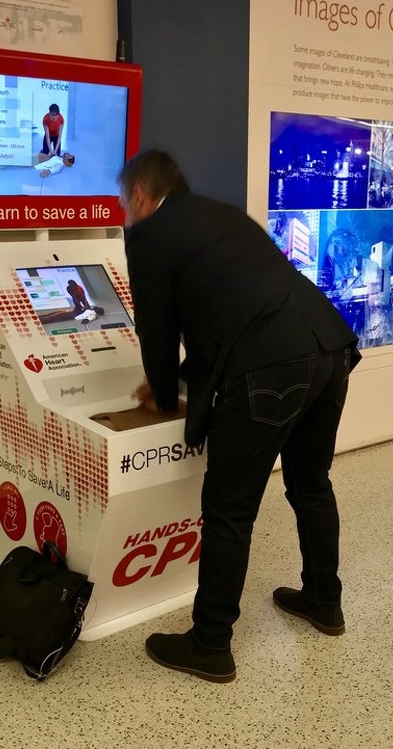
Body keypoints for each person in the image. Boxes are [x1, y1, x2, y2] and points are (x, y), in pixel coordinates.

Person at [118, 150, 361, 684]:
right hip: (329, 345)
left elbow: (156, 329)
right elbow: (230, 311)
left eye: (125, 202)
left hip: (273, 364)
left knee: (229, 508)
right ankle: (324, 600)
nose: (125, 212)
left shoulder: (149, 235)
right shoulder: (222, 215)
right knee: (311, 483)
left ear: (139, 195)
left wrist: (160, 395)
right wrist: (180, 380)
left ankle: (209, 644)